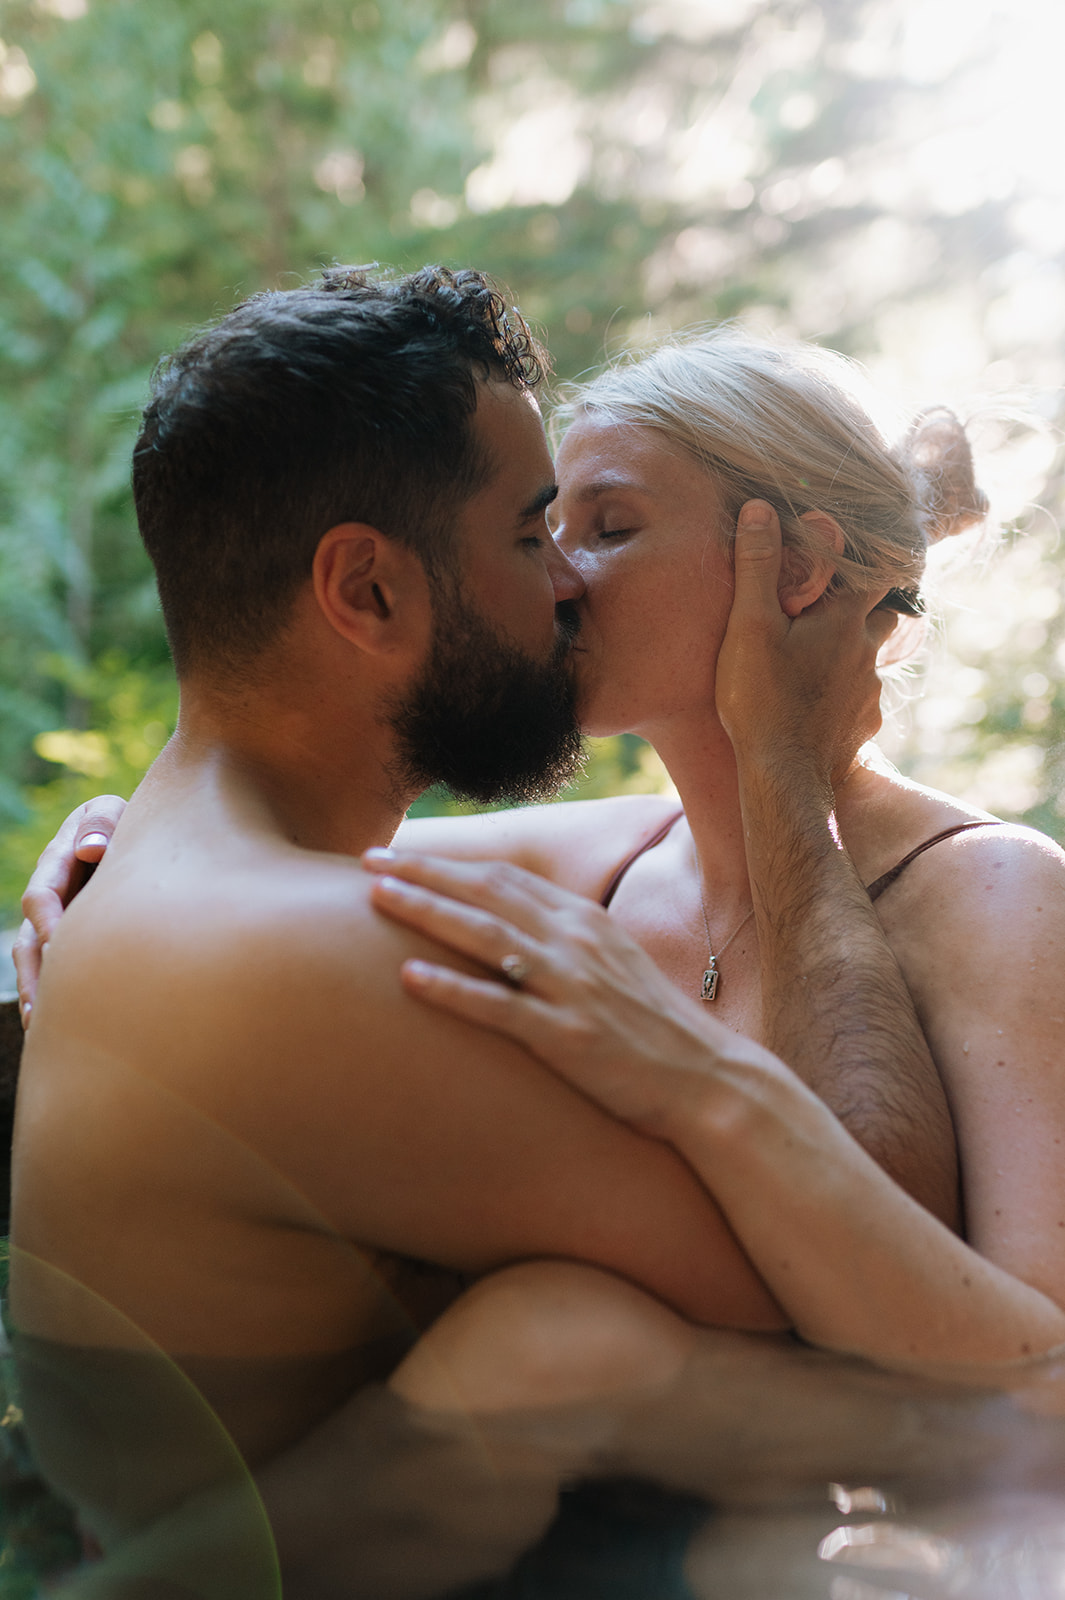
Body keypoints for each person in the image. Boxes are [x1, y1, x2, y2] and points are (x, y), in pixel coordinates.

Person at [11, 279, 1063, 1593]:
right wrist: (108, 844)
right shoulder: (603, 858)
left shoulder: (992, 895)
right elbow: (281, 864)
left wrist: (781, 776)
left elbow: (1035, 1398)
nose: (557, 579)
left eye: (606, 529)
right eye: (541, 531)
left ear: (789, 574)